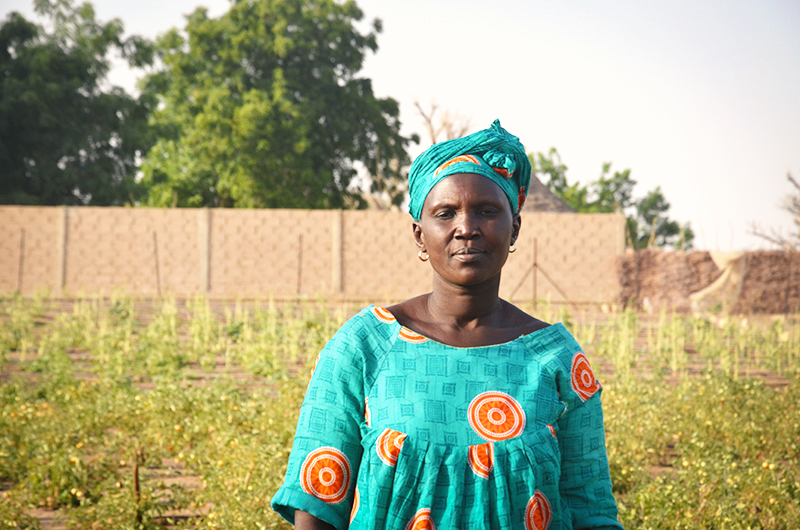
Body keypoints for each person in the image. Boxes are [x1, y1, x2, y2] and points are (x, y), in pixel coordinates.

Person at [271, 120, 624, 530]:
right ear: (420, 235)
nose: (467, 228)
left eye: (487, 211)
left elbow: (591, 509)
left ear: (515, 228)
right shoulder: (364, 345)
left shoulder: (556, 357)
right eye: (445, 213)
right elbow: (316, 503)